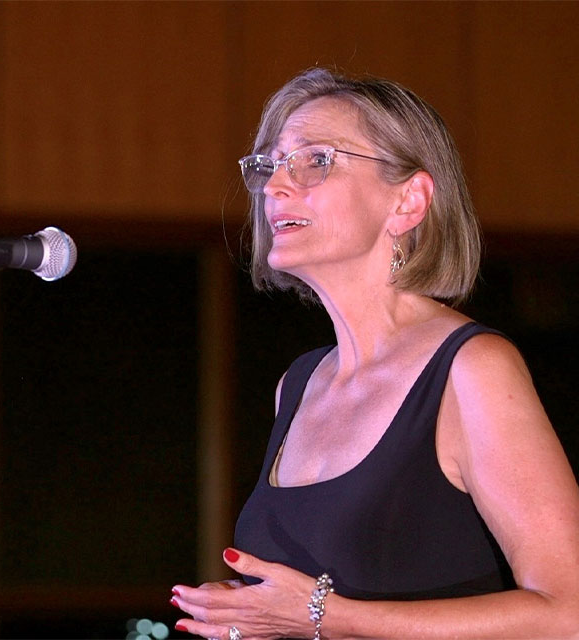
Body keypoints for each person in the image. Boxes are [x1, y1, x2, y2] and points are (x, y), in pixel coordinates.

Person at [170, 68, 579, 639]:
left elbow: (566, 614)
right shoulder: (302, 381)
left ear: (409, 200)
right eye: (269, 166)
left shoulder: (470, 369)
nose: (274, 187)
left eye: (315, 160)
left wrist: (321, 616)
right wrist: (250, 616)